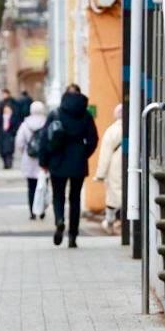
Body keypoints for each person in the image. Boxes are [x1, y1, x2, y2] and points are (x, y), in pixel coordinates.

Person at [37, 84, 99, 247]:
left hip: (57, 160)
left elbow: (44, 139)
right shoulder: (85, 115)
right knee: (75, 198)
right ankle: (73, 236)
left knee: (58, 195)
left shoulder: (56, 113)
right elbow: (93, 139)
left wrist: (43, 161)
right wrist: (83, 153)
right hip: (78, 161)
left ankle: (59, 220)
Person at [15, 100, 49, 219]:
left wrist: (25, 151)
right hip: (44, 160)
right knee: (43, 186)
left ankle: (32, 212)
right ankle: (42, 210)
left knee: (31, 187)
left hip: (29, 159)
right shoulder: (47, 123)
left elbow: (19, 142)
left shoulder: (25, 124)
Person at [94, 104, 124, 234]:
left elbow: (105, 154)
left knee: (114, 194)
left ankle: (111, 221)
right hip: (130, 164)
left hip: (115, 165)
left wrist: (100, 174)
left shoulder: (111, 130)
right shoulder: (135, 128)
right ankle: (120, 220)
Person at [0, 89, 20, 169]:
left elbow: (17, 117)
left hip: (10, 131)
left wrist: (14, 129)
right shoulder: (1, 104)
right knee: (2, 150)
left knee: (9, 149)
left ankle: (9, 163)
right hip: (2, 132)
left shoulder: (13, 103)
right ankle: (5, 163)